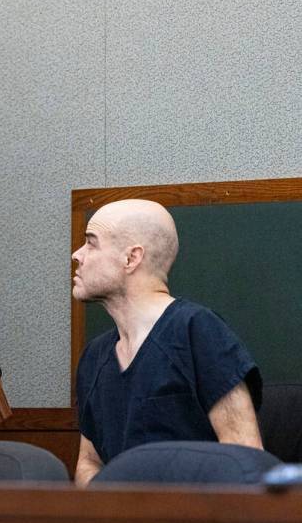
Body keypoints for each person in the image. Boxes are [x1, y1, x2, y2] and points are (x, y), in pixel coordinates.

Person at [71, 198, 263, 487]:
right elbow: (89, 461)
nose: (77, 255)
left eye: (91, 243)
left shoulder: (198, 331)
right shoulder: (94, 356)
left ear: (131, 258)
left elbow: (245, 458)